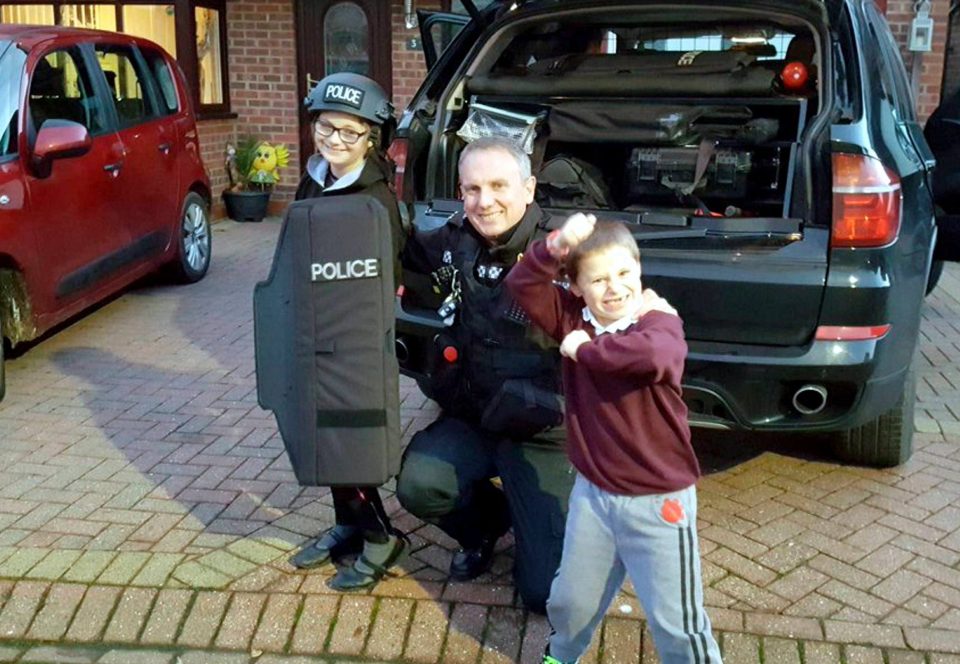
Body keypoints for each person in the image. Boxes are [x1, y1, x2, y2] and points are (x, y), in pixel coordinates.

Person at [505, 215, 723, 664]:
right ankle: (560, 655)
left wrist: (585, 350)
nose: (615, 288)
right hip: (594, 498)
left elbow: (654, 356)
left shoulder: (657, 322)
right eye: (599, 279)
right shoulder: (572, 318)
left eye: (625, 273)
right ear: (577, 287)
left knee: (676, 622)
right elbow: (522, 284)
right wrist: (558, 244)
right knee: (569, 600)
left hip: (659, 503)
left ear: (640, 273)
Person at [396, 136, 574, 613]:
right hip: (475, 417)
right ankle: (487, 526)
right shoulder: (455, 240)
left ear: (529, 187)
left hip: (543, 433)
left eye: (499, 185)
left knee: (545, 594)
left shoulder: (569, 256)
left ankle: (539, 517)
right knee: (419, 484)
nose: (484, 200)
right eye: (472, 188)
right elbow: (400, 244)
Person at [288, 72, 406, 590]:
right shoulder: (315, 177)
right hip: (317, 329)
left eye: (349, 133)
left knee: (350, 433)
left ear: (371, 138)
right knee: (325, 429)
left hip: (355, 336)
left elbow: (391, 271)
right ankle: (348, 524)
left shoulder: (375, 198)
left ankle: (380, 533)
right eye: (326, 127)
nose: (334, 140)